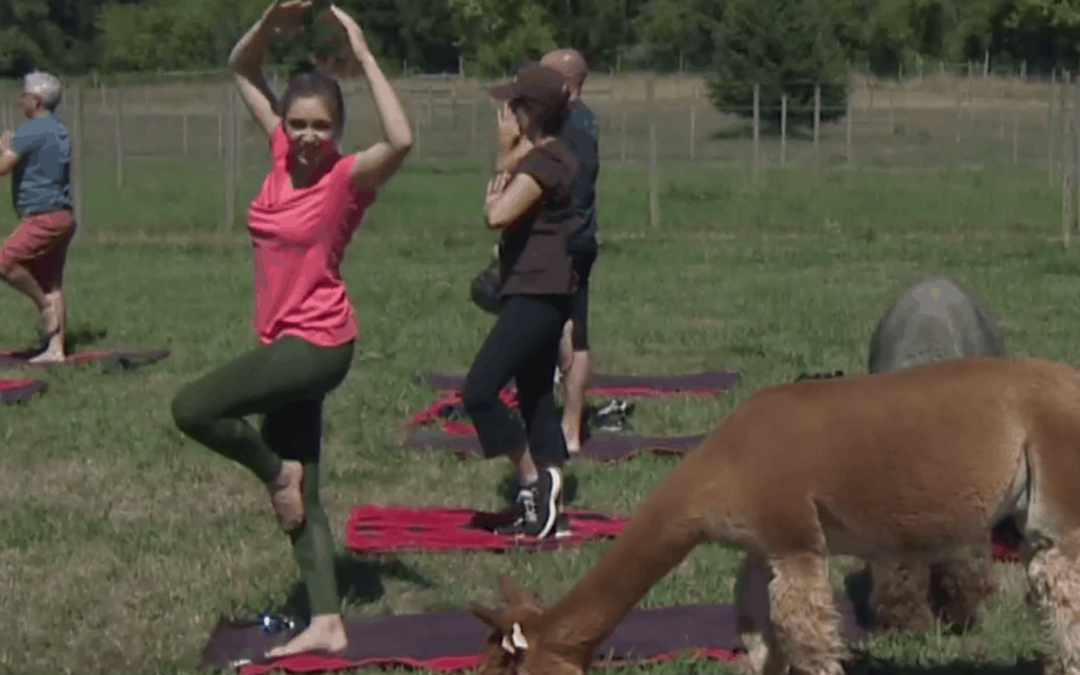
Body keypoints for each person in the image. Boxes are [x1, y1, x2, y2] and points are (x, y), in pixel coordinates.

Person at [169, 0, 411, 659]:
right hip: (282, 341)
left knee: (191, 407)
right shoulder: (278, 152)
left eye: (321, 126)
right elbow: (240, 66)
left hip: (320, 343)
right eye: (299, 122)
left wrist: (361, 52)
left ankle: (275, 472)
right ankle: (328, 618)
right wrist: (273, 21)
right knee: (306, 491)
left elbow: (402, 140)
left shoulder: (344, 178)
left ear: (337, 128)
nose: (307, 135)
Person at [463, 64, 581, 539]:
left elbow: (497, 213)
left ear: (530, 113)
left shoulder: (546, 162)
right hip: (538, 290)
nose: (505, 114)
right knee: (534, 398)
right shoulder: (548, 157)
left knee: (479, 389)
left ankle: (535, 479)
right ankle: (548, 504)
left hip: (537, 293)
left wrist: (501, 157)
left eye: (514, 105)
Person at [496, 49, 599, 455]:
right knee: (572, 331)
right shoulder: (583, 119)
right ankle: (566, 426)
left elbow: (515, 172)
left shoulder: (567, 127)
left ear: (566, 85)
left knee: (569, 333)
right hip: (576, 237)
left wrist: (505, 148)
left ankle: (567, 429)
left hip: (561, 244)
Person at [0, 70, 76, 364]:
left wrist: (4, 149)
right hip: (63, 217)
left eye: (24, 94)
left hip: (41, 218)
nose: (20, 100)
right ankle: (56, 349)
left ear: (36, 100)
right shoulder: (58, 129)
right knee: (51, 282)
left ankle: (44, 307)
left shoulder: (30, 131)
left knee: (4, 263)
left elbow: (4, 167)